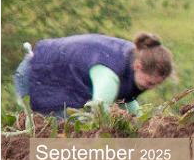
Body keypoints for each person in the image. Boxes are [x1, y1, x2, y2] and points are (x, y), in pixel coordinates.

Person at [13, 32, 173, 116]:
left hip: (47, 68)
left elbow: (126, 99)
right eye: (151, 83)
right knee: (64, 128)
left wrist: (141, 121)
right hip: (36, 73)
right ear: (138, 66)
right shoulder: (110, 75)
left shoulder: (135, 57)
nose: (151, 88)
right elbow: (99, 113)